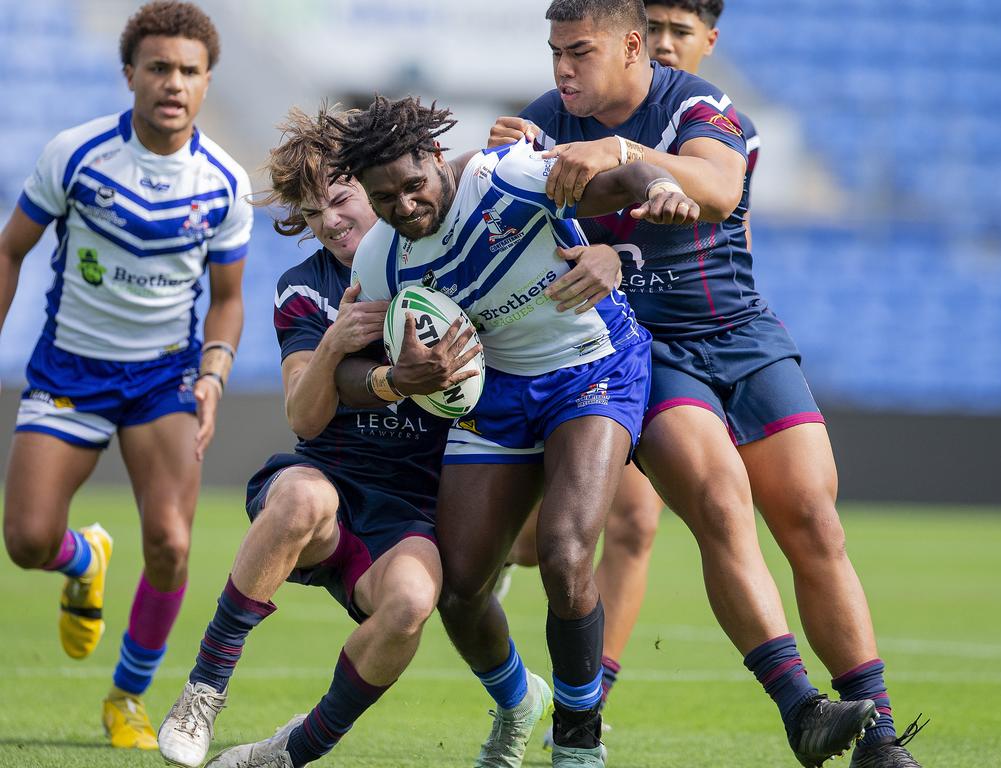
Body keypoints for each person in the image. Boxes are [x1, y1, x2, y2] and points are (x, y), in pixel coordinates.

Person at [488, 1, 931, 766]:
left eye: (579, 52)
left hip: (744, 337)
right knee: (721, 506)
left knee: (814, 520)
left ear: (632, 48)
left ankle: (879, 737)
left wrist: (632, 160)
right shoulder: (541, 121)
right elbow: (503, 225)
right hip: (648, 350)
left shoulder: (696, 103)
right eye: (554, 53)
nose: (561, 70)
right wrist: (510, 165)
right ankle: (802, 710)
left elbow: (720, 186)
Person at [333, 95, 700, 768]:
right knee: (460, 589)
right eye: (384, 198)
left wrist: (665, 188)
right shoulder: (379, 263)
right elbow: (349, 375)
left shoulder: (508, 177)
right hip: (496, 395)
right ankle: (516, 700)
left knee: (564, 553)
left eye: (413, 186)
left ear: (438, 160)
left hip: (593, 369)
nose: (405, 206)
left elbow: (626, 182)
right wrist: (394, 381)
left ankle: (579, 737)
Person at [157, 104, 478, 768]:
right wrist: (334, 342)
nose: (328, 221)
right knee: (302, 501)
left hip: (406, 512)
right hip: (326, 485)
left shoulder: (445, 264)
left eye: (338, 198)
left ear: (373, 184)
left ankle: (290, 752)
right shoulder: (303, 288)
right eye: (310, 213)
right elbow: (303, 417)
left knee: (413, 604)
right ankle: (203, 690)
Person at [0, 1, 251, 750]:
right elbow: (11, 249)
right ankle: (86, 558)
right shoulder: (75, 156)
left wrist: (213, 373)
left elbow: (231, 299)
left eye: (189, 71)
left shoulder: (224, 183)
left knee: (172, 542)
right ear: (130, 75)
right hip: (70, 371)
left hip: (162, 381)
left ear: (207, 82)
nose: (174, 83)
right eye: (160, 68)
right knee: (27, 542)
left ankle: (128, 699)